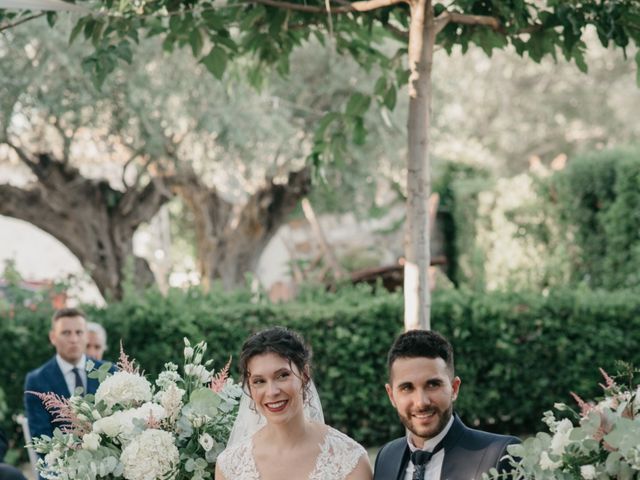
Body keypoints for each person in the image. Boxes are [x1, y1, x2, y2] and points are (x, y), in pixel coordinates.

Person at [215, 326, 372, 480]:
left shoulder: (349, 460)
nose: (271, 392)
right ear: (249, 387)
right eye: (259, 381)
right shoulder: (230, 466)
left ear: (304, 376)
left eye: (282, 376)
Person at [374, 330, 520, 480]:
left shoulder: (500, 455)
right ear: (391, 396)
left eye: (432, 385)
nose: (421, 402)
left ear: (454, 388)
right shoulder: (386, 458)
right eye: (407, 388)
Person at [23, 308, 109, 440]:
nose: (73, 339)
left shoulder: (108, 371)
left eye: (79, 332)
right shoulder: (37, 381)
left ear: (86, 336)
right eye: (66, 333)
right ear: (53, 337)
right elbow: (40, 438)